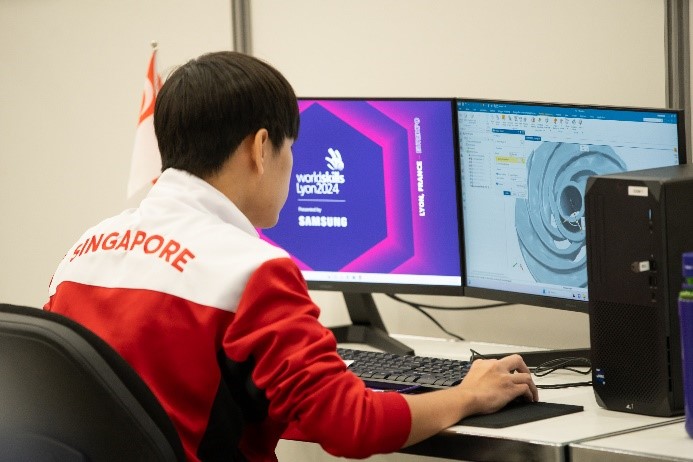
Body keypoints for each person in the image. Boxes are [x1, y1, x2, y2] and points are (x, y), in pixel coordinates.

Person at [44, 51, 538, 462]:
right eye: (291, 147)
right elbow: (353, 427)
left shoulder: (82, 251)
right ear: (261, 148)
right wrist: (468, 393)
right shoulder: (251, 269)